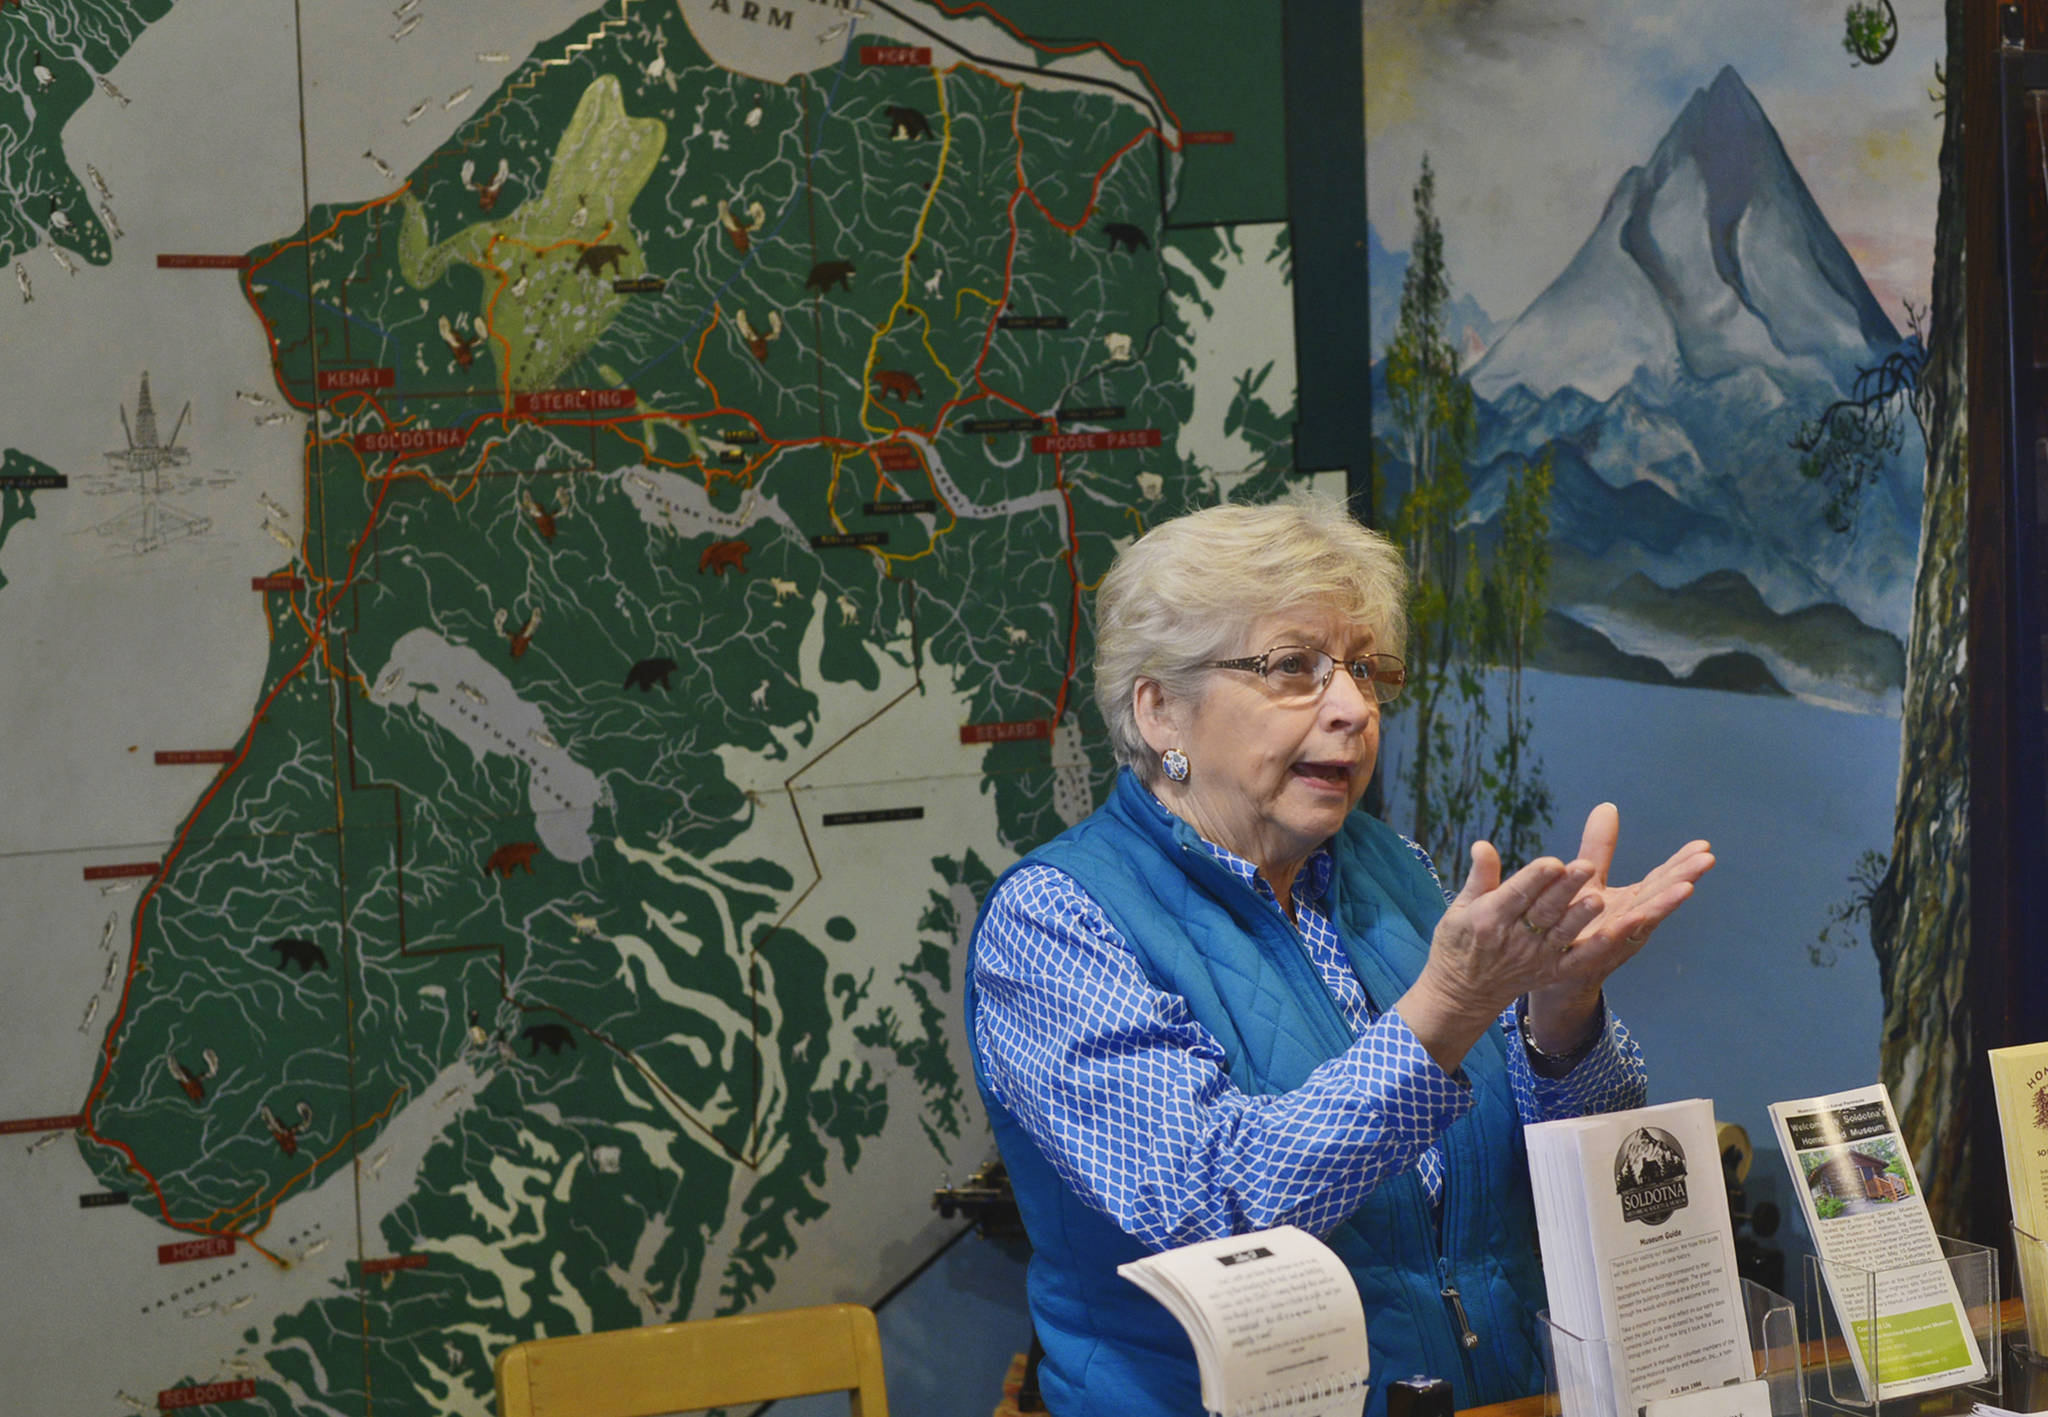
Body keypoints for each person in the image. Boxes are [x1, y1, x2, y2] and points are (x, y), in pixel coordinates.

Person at [965, 497, 1715, 1417]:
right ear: (1160, 709)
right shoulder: (1056, 920)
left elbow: (1572, 1166)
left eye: (1365, 668)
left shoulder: (1391, 866)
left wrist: (1563, 1006)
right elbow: (1215, 1208)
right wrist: (1448, 1002)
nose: (1356, 708)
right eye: (1293, 668)